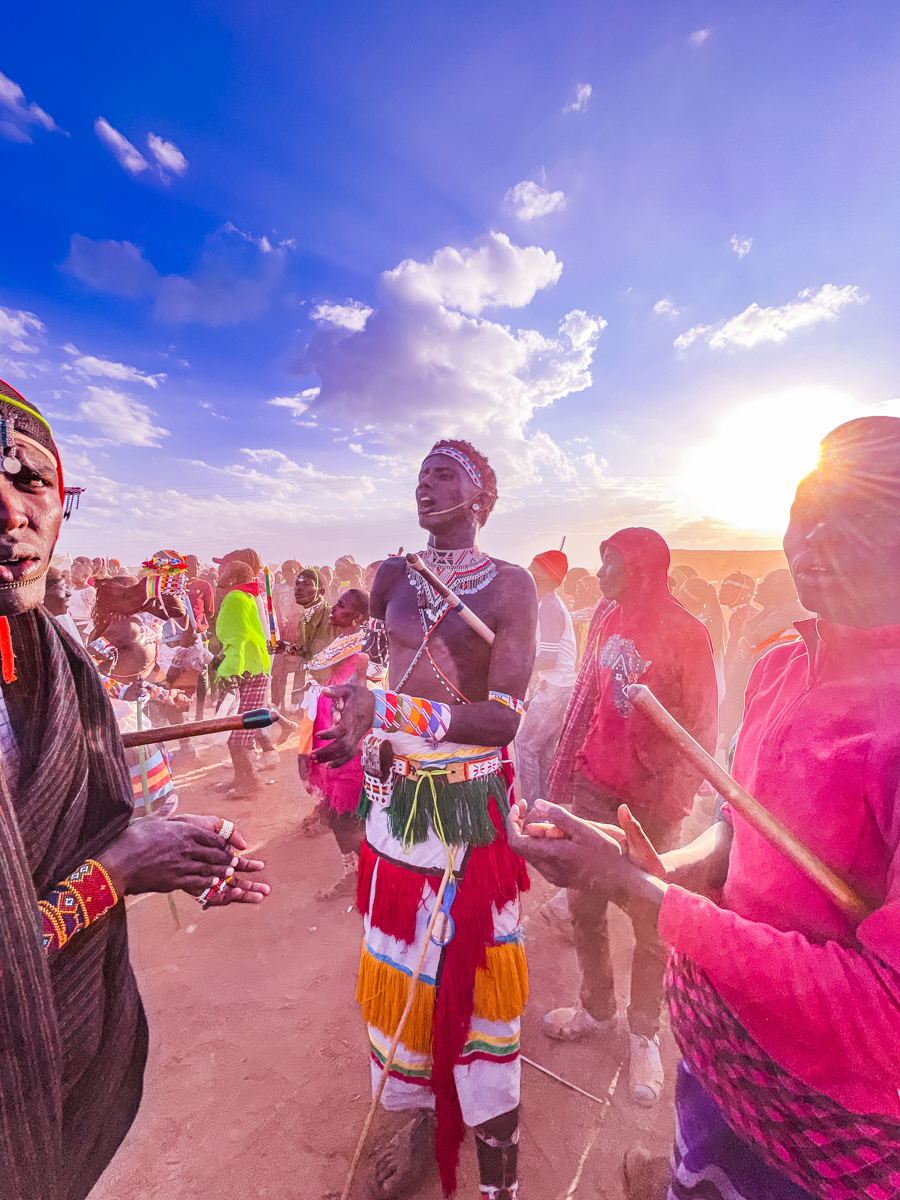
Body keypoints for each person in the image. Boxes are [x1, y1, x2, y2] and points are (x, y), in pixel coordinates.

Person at [509, 414, 900, 1200]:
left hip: (828, 1117)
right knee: (700, 1172)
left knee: (645, 933)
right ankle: (609, 1019)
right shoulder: (784, 665)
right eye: (804, 508)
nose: (813, 541)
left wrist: (649, 880)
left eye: (859, 517)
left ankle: (642, 1035)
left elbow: (885, 1021)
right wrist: (645, 867)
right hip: (725, 1042)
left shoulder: (692, 635)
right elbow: (743, 828)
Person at [0, 379, 270, 1200]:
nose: (10, 509)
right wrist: (117, 869)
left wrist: (152, 855)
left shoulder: (45, 661)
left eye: (28, 478)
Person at [314, 439, 536, 1200]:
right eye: (419, 474)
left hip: (468, 813)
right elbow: (377, 667)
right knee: (405, 972)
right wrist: (357, 727)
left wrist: (391, 709)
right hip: (396, 809)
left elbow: (504, 719)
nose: (423, 485)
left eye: (443, 474)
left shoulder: (511, 588)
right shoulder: (388, 578)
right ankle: (419, 1122)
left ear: (481, 498)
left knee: (475, 986)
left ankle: (497, 1177)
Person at [541, 528, 717, 1111]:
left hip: (651, 806)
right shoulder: (607, 620)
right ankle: (596, 1009)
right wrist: (568, 783)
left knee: (651, 923)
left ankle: (644, 1034)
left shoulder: (689, 633)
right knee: (584, 907)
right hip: (594, 790)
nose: (600, 573)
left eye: (609, 561)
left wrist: (671, 807)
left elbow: (701, 730)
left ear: (642, 566)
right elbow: (589, 705)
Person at [301, 587, 370, 899]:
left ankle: (367, 877)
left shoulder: (364, 652)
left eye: (341, 606)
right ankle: (355, 873)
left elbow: (366, 695)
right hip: (336, 746)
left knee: (346, 819)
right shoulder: (342, 645)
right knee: (339, 819)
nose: (334, 608)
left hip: (352, 750)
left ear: (355, 616)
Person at [718, 567, 809, 746]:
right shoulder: (762, 623)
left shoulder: (791, 625)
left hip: (772, 716)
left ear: (782, 590)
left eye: (766, 582)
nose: (759, 586)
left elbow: (777, 676)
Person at [515, 549, 577, 806]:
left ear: (545, 579)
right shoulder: (546, 604)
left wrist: (515, 672)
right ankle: (545, 809)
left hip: (555, 685)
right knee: (543, 751)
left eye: (532, 572)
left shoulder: (550, 608)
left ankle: (531, 811)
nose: (527, 576)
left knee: (526, 746)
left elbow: (548, 660)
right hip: (557, 685)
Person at [215, 559, 278, 797]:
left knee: (236, 734)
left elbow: (236, 639)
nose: (220, 574)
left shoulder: (234, 599)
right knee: (240, 733)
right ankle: (241, 779)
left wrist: (230, 672)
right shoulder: (247, 597)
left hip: (244, 672)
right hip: (255, 668)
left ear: (233, 578)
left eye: (225, 571)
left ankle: (248, 784)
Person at [271, 559, 302, 711]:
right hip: (280, 635)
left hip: (296, 636)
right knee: (278, 670)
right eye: (286, 570)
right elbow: (274, 609)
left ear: (297, 571)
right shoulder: (277, 589)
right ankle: (277, 703)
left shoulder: (303, 589)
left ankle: (295, 702)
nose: (289, 573)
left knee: (298, 668)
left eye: (292, 570)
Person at [43, 566, 82, 643]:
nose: (69, 593)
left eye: (66, 587)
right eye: (62, 587)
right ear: (42, 592)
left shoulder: (63, 618)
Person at [67, 555, 96, 638]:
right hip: (70, 626)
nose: (72, 576)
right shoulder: (71, 588)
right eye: (72, 573)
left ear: (85, 576)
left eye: (76, 573)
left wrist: (86, 633)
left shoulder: (90, 591)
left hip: (83, 628)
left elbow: (94, 616)